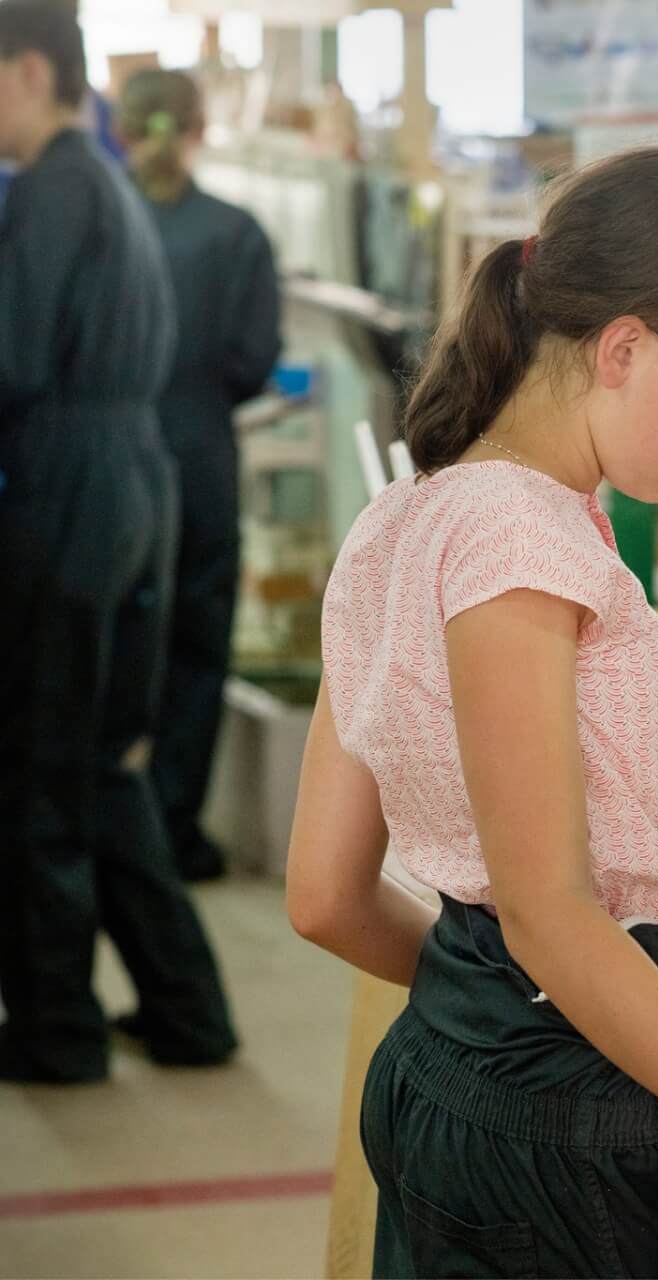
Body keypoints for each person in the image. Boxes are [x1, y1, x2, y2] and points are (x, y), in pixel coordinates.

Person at [285, 143, 658, 1279]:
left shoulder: (400, 520)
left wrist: (484, 997)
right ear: (624, 346)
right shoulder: (521, 541)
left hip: (463, 1066)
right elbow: (552, 916)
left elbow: (323, 894)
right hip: (567, 1130)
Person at [0, 1, 237, 1083]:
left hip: (69, 487)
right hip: (141, 480)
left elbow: (12, 357)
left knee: (43, 764)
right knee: (101, 763)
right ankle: (187, 1010)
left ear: (27, 71)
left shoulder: (53, 189)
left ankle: (56, 1028)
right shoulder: (104, 183)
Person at [116, 68, 282, 882]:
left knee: (111, 646)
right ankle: (174, 831)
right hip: (201, 457)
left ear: (122, 128)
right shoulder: (237, 234)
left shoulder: (101, 223)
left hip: (107, 469)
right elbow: (255, 361)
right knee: (195, 647)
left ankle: (102, 826)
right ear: (199, 129)